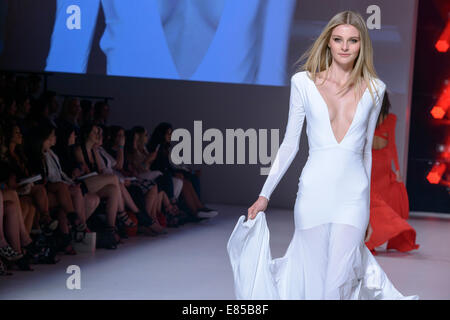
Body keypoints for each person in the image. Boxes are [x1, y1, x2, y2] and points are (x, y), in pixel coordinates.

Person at [227, 11, 419, 300]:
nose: (345, 46)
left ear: (361, 45)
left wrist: (367, 211)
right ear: (328, 42)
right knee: (314, 284)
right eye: (338, 39)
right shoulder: (303, 83)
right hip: (314, 192)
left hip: (353, 196)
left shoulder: (376, 89)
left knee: (338, 284)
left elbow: (365, 152)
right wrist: (265, 194)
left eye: (352, 40)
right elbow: (290, 143)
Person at [365, 92, 419, 254]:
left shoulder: (366, 117)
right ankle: (387, 233)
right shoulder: (391, 118)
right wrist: (397, 169)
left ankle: (370, 239)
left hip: (370, 163)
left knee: (371, 203)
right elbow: (391, 145)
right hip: (383, 164)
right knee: (380, 202)